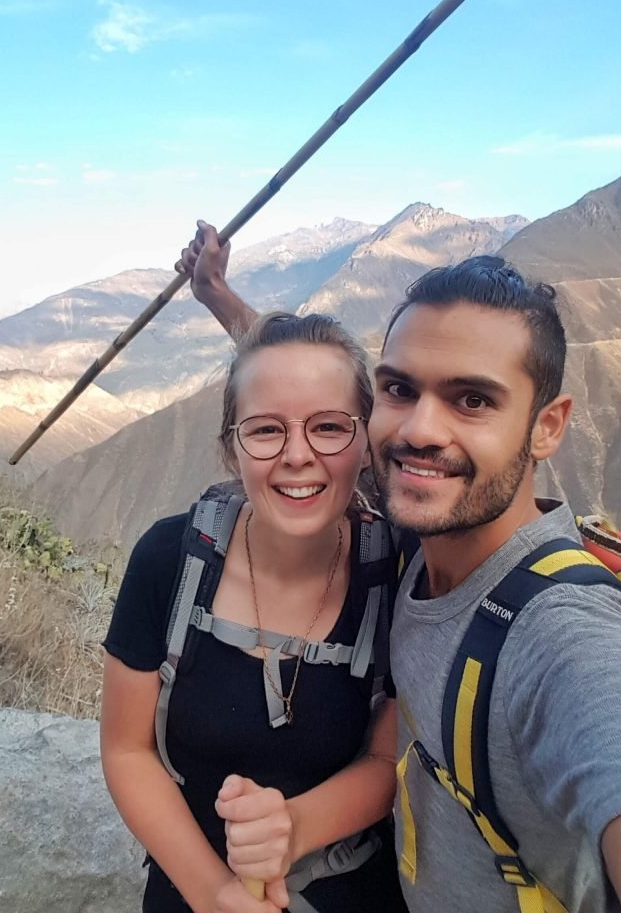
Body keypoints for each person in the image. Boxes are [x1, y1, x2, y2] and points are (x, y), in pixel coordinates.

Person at [179, 221, 621, 913]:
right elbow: (297, 395)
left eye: (472, 399)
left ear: (549, 425)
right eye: (401, 389)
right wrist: (220, 299)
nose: (420, 429)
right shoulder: (418, 539)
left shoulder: (567, 639)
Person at [100, 309, 409, 913]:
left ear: (366, 440)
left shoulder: (395, 577)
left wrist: (291, 827)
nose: (298, 455)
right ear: (230, 447)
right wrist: (214, 895)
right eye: (266, 430)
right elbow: (126, 749)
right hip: (191, 882)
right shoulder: (169, 560)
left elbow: (385, 757)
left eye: (328, 427)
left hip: (347, 885)